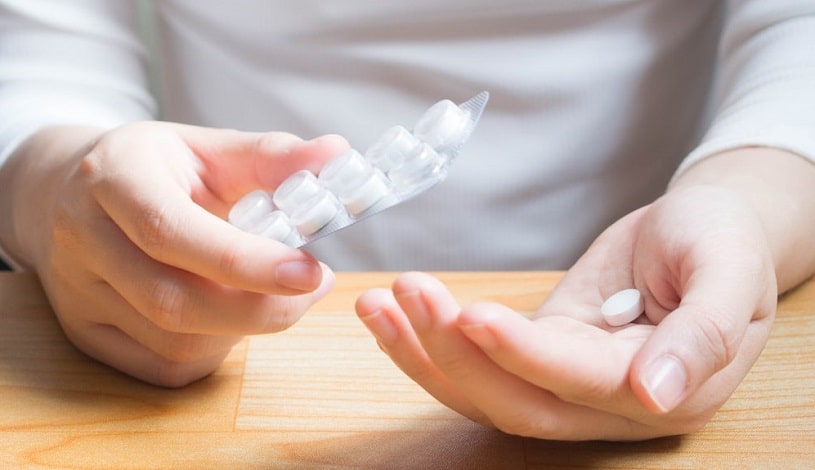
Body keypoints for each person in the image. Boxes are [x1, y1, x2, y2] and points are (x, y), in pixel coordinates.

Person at [0, 1, 813, 441]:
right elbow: (38, 47)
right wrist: (64, 189)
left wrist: (743, 200)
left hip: (634, 278)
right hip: (249, 362)